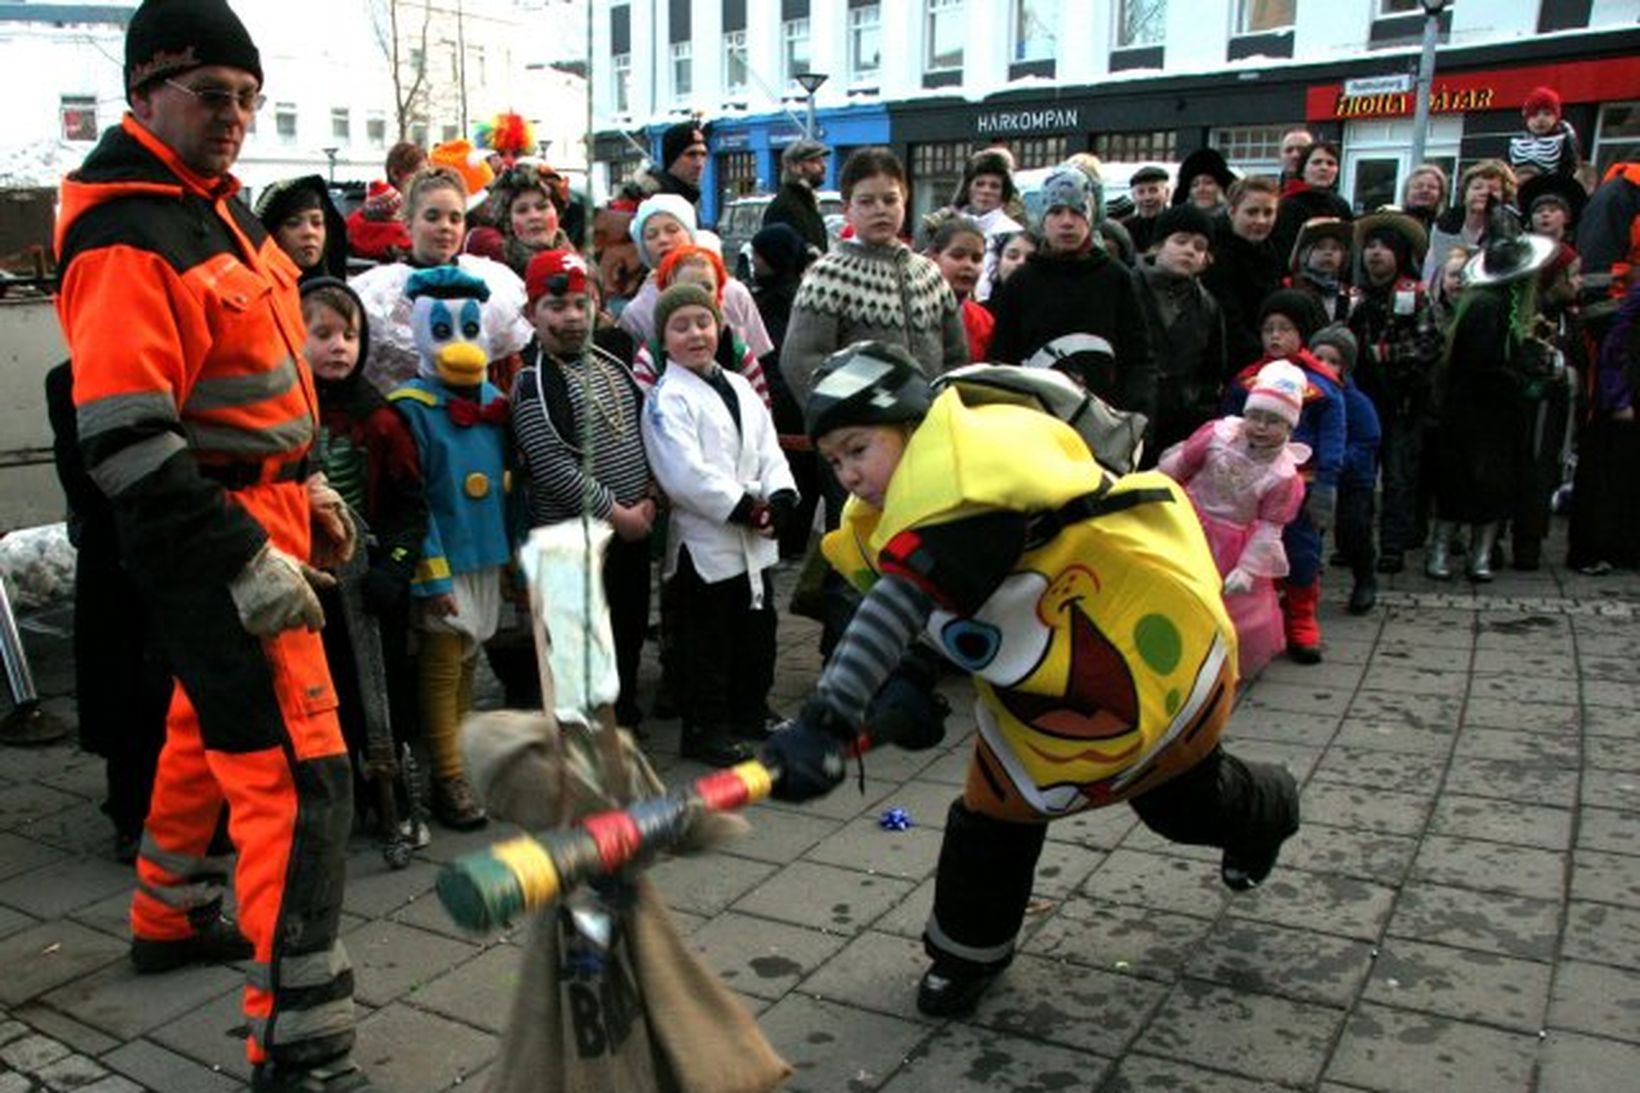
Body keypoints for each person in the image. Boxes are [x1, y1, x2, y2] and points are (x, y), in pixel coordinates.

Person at [762, 341, 1300, 1017]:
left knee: (1182, 804)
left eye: (858, 448)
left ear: (909, 426)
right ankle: (966, 953)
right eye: (834, 460)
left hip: (1127, 653)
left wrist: (830, 715)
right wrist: (903, 681)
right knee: (994, 811)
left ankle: (1269, 810)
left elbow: (907, 594)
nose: (848, 474)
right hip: (1032, 678)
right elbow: (905, 602)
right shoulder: (895, 510)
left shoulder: (976, 462)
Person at [54, 2, 375, 1087]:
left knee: (210, 721)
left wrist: (310, 488)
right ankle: (301, 1042)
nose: (235, 117)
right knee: (299, 776)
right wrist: (243, 556)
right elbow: (128, 442)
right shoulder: (128, 236)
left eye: (248, 97)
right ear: (145, 92)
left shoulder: (212, 210)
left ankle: (169, 913)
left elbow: (258, 375)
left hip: (266, 510)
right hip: (218, 535)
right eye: (213, 95)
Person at [642, 283, 797, 766]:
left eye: (703, 323)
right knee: (706, 641)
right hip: (705, 540)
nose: (695, 334)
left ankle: (750, 708)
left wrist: (780, 495)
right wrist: (746, 509)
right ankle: (705, 727)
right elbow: (684, 473)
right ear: (663, 339)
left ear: (721, 327)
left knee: (757, 629)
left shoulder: (741, 387)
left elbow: (769, 449)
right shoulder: (667, 399)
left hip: (755, 536)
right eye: (681, 326)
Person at [301, 278, 430, 842]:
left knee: (385, 694)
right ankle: (340, 799)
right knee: (322, 699)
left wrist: (395, 568)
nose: (338, 346)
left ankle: (395, 797)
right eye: (322, 333)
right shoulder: (282, 416)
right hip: (304, 582)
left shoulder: (381, 418)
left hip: (371, 581)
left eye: (349, 335)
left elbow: (410, 505)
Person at [388, 267, 514, 828]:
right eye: (444, 331)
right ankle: (448, 778)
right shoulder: (410, 406)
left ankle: (457, 762)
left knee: (467, 662)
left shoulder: (494, 400)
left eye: (469, 329)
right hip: (443, 558)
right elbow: (411, 500)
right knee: (442, 665)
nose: (460, 344)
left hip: (484, 554)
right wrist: (431, 576)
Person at [511, 249, 655, 727]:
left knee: (628, 625)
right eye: (556, 307)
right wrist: (621, 515)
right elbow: (553, 467)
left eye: (581, 303)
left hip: (632, 528)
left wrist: (652, 495)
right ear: (532, 313)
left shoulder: (611, 363)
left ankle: (623, 710)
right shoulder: (533, 382)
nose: (572, 317)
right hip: (576, 536)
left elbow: (643, 431)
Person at [46, 361, 170, 863]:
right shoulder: (71, 380)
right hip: (116, 549)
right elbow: (81, 472)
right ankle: (132, 812)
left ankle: (185, 809)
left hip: (172, 542)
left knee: (175, 685)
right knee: (125, 684)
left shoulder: (168, 363)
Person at [1426, 202, 1558, 582]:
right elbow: (1481, 364)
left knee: (1494, 483)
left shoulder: (1504, 307)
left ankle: (1478, 552)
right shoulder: (1485, 307)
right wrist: (1520, 373)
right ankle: (1446, 550)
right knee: (1464, 480)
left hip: (1497, 413)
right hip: (1473, 410)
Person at [780, 146, 968, 402]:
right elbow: (801, 361)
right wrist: (847, 420)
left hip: (928, 426)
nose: (880, 210)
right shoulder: (828, 276)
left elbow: (955, 355)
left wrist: (940, 402)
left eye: (890, 200)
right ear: (847, 209)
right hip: (861, 431)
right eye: (866, 202)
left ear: (905, 199)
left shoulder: (930, 275)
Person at [1159, 359, 1311, 677]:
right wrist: (1153, 489)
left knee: (1229, 603)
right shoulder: (1218, 435)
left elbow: (1270, 529)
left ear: (1289, 426)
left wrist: (1247, 568)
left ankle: (1214, 660)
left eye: (1273, 421)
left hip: (1233, 542)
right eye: (1255, 416)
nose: (1260, 426)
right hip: (1189, 521)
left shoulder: (1283, 475)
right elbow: (1181, 466)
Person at [1223, 290, 1345, 664]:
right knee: (1251, 551)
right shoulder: (1245, 381)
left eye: (1285, 329)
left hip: (1301, 486)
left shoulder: (1321, 386)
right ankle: (1261, 618)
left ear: (1303, 333)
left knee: (1302, 552)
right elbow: (1226, 428)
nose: (1275, 337)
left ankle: (1302, 619)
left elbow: (1333, 435)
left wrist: (1327, 481)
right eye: (1268, 329)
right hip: (1251, 484)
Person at [988, 165, 1154, 426]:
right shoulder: (1023, 281)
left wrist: (1137, 418)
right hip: (1034, 422)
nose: (1067, 221)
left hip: (1103, 422)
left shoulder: (1116, 278)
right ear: (1043, 218)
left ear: (1090, 217)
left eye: (1077, 211)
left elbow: (1138, 357)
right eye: (1056, 212)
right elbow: (1001, 358)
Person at [351, 165, 533, 396]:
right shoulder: (381, 292)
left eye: (455, 218)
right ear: (408, 223)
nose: (445, 227)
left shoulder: (491, 281)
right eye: (432, 217)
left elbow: (504, 373)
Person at [1347, 207, 1439, 575]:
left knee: (1399, 478)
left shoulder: (1415, 295)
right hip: (1363, 400)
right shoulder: (1355, 297)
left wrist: (1381, 354)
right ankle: (1356, 543)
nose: (1375, 253)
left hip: (1402, 401)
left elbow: (1430, 344)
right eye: (1370, 246)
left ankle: (1393, 546)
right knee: (1360, 478)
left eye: (1385, 247)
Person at [617, 193, 773, 360]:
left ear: (690, 234)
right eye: (651, 235)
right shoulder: (636, 313)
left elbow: (762, 358)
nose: (662, 239)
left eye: (672, 230)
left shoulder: (734, 292)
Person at [1133, 203, 1227, 454]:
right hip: (1129, 417)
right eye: (1181, 241)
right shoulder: (1127, 287)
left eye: (1199, 247)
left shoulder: (1207, 305)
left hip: (1179, 428)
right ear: (1158, 245)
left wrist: (1200, 415)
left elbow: (1212, 370)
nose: (1189, 251)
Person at [633, 243, 771, 404]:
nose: (696, 334)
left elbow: (761, 412)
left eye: (707, 287)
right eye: (687, 286)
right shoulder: (651, 357)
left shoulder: (738, 353)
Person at [1567, 281, 1640, 572]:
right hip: (1622, 401)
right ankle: (1596, 548)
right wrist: (1619, 398)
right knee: (1607, 477)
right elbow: (1615, 345)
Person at [1309, 325, 1381, 614]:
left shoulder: (1357, 402)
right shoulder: (1306, 395)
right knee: (1309, 531)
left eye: (1334, 361)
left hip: (1351, 479)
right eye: (1319, 358)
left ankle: (1364, 577)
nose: (1325, 366)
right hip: (1313, 476)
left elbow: (1367, 441)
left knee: (1354, 531)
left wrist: (1334, 460)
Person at [1203, 176, 1285, 373]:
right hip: (1232, 363)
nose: (1261, 220)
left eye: (1268, 213)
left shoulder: (1269, 251)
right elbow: (1228, 320)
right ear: (1232, 212)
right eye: (1252, 212)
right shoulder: (1217, 254)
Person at [462, 161, 573, 277]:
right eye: (522, 210)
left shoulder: (578, 264)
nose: (534, 216)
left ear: (557, 211)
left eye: (542, 207)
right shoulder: (497, 272)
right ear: (508, 221)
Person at [1424, 159, 1517, 291]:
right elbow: (1434, 273)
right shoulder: (1444, 226)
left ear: (1504, 198)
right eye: (1477, 187)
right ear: (1465, 193)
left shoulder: (1509, 231)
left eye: (1493, 189)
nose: (1484, 193)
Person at [948, 149, 1024, 302]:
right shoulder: (948, 226)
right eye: (980, 184)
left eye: (994, 186)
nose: (986, 191)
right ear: (969, 188)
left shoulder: (1014, 233)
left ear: (1004, 193)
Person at [1271, 141, 1353, 268]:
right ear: (1302, 170)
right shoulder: (1287, 205)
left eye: (1331, 163)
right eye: (1317, 162)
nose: (1324, 168)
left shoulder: (1341, 206)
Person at [924, 213, 994, 361]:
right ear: (933, 258)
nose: (968, 265)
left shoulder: (983, 321)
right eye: (957, 256)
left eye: (976, 259)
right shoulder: (910, 309)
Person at [255, 175, 348, 281]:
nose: (309, 232)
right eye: (293, 223)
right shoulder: (252, 293)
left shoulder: (336, 293)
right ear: (271, 234)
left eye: (317, 223)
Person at [346, 140, 425, 262]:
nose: (424, 182)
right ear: (395, 174)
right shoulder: (409, 232)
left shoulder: (353, 224)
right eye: (418, 175)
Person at [763, 136, 831, 255]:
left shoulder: (807, 202)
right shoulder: (784, 207)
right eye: (814, 161)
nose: (823, 166)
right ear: (795, 167)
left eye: (823, 160)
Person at [1287, 216, 1356, 324]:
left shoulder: (1349, 296)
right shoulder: (1290, 288)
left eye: (1335, 248)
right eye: (1320, 247)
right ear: (1303, 255)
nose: (1328, 253)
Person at [1508, 86, 1582, 180]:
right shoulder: (1515, 143)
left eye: (1547, 114)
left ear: (1556, 118)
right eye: (1534, 114)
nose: (1540, 120)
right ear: (1526, 118)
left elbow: (1569, 170)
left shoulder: (1564, 141)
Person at [1519, 172, 1587, 248]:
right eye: (1539, 211)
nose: (1545, 214)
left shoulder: (1580, 248)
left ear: (1567, 217)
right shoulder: (1521, 250)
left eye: (1552, 210)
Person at [1122, 164, 1171, 254]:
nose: (1147, 197)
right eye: (1141, 192)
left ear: (1167, 194)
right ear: (1133, 197)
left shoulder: (1178, 224)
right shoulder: (1126, 229)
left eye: (1153, 190)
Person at [1172, 147, 1234, 215]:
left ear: (1221, 187)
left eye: (1208, 183)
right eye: (1195, 185)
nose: (1201, 189)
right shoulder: (1177, 222)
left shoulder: (1234, 221)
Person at [984, 228, 1038, 303]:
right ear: (998, 262)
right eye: (1013, 256)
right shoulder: (979, 312)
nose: (1021, 262)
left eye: (1030, 259)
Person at [1401, 164, 1449, 232]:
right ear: (1406, 192)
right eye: (1418, 186)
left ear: (1441, 194)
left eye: (1432, 187)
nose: (1425, 190)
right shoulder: (1394, 224)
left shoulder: (1447, 228)